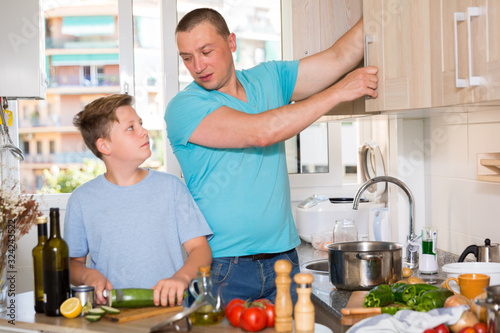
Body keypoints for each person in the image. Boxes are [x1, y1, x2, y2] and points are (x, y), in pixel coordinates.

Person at [165, 8, 378, 304]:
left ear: (231, 43)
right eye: (187, 57)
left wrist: (381, 8)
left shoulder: (269, 78)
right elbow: (261, 132)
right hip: (222, 268)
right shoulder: (185, 106)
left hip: (283, 262)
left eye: (205, 51)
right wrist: (338, 92)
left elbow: (339, 57)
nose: (197, 65)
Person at [65, 94, 213, 307]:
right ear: (104, 146)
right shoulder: (81, 199)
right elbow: (72, 265)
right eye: (131, 128)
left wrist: (181, 278)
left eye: (141, 124)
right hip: (110, 315)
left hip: (169, 312)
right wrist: (89, 276)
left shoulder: (171, 187)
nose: (144, 131)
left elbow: (200, 249)